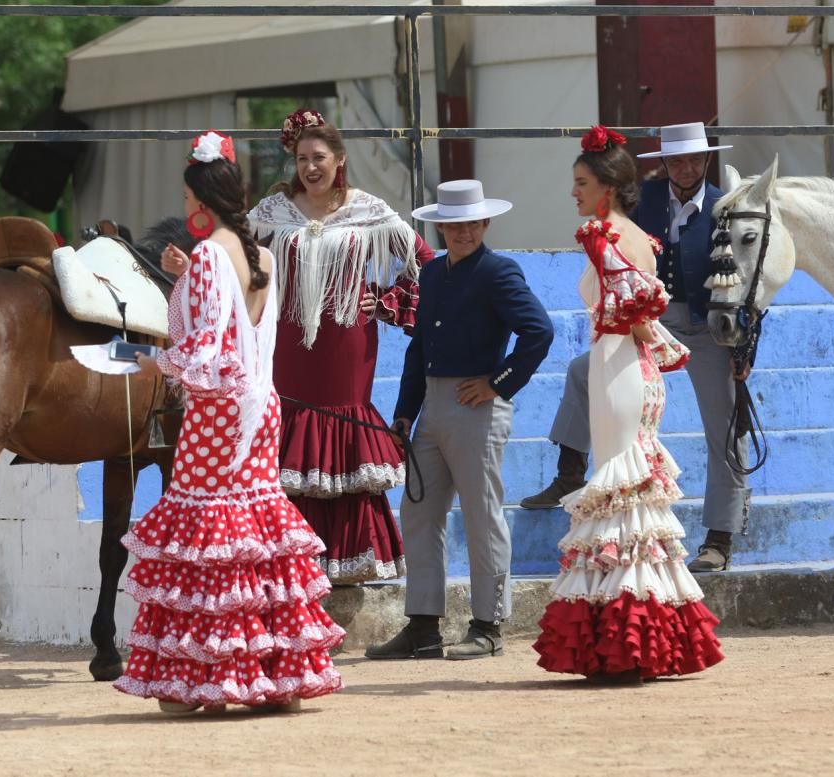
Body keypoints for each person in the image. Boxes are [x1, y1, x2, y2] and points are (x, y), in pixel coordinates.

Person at [115, 131, 343, 713]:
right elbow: (240, 328)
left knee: (210, 537)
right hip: (263, 407)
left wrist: (146, 358)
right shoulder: (260, 254)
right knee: (253, 532)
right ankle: (273, 672)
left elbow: (205, 356)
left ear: (198, 200)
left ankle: (209, 677)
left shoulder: (213, 255)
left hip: (220, 413)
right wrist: (186, 273)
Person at [533, 126, 724, 681]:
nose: (573, 192)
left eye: (580, 183)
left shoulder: (601, 234)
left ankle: (625, 638)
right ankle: (640, 635)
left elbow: (632, 314)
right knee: (628, 488)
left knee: (619, 482)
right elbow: (645, 315)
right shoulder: (636, 234)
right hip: (625, 368)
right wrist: (662, 345)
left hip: (618, 368)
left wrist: (653, 341)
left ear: (606, 189)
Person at [520, 121, 750, 573]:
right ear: (663, 163)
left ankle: (720, 533)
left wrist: (743, 347)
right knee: (581, 372)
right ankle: (570, 472)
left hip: (709, 327)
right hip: (651, 316)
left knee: (724, 422)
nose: (685, 167)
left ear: (706, 161)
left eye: (693, 159)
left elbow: (746, 281)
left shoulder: (728, 206)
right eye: (676, 159)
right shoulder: (641, 205)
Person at [365, 180, 553, 660]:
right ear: (440, 227)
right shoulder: (431, 275)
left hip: (477, 405)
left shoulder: (498, 271)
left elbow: (539, 331)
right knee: (419, 512)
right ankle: (423, 626)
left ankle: (488, 625)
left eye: (470, 223)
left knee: (481, 515)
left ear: (485, 223)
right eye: (452, 225)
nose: (462, 231)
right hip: (433, 404)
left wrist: (498, 382)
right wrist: (404, 411)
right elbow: (420, 345)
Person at [248, 108, 434, 584]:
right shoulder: (272, 212)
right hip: (286, 344)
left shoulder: (367, 209)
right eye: (302, 158)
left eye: (320, 157)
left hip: (347, 341)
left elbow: (425, 264)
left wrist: (388, 302)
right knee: (289, 436)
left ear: (340, 159)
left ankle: (349, 558)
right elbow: (230, 258)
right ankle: (290, 563)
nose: (311, 167)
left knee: (341, 426)